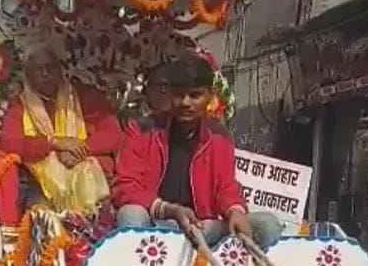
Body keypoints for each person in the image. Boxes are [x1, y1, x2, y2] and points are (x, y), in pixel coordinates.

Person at [113, 54, 282, 248]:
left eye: (194, 95)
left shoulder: (219, 136)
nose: (186, 103)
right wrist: (169, 209)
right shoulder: (142, 130)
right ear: (169, 94)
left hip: (202, 228)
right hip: (155, 224)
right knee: (130, 213)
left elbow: (226, 187)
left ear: (209, 95)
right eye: (179, 95)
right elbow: (125, 186)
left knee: (268, 225)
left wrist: (235, 210)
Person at [0, 42, 123, 217]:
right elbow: (9, 143)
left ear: (59, 69)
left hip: (94, 180)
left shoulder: (86, 95)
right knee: (43, 217)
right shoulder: (19, 106)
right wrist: (53, 143)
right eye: (37, 69)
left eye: (49, 67)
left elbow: (113, 134)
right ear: (28, 75)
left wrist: (79, 150)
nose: (45, 74)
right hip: (40, 186)